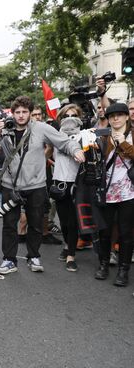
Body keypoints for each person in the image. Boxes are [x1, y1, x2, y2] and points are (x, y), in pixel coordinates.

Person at [0, 96, 84, 275]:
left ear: (30, 113)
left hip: (35, 185)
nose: (20, 116)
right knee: (9, 225)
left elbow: (63, 141)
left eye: (24, 112)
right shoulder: (6, 128)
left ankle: (33, 256)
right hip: (10, 185)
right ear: (12, 113)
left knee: (35, 223)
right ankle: (9, 260)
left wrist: (76, 149)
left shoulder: (41, 128)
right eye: (17, 112)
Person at [94, 103, 134, 286]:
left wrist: (123, 143)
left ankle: (123, 270)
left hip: (129, 192)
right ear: (108, 119)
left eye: (119, 115)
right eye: (112, 116)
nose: (116, 118)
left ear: (127, 117)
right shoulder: (103, 137)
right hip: (107, 191)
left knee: (126, 233)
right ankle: (103, 265)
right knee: (105, 231)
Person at [50, 105, 85, 272]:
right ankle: (67, 245)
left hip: (76, 183)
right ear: (60, 119)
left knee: (72, 222)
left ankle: (71, 254)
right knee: (63, 221)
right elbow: (47, 154)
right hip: (58, 183)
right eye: (66, 115)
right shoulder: (55, 137)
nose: (70, 118)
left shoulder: (84, 136)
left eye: (74, 115)